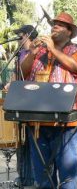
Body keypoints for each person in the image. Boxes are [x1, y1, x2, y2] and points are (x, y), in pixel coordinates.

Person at [21, 12, 77, 188]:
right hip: (39, 120)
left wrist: (53, 49)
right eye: (54, 24)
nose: (55, 26)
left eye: (60, 25)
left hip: (68, 122)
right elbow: (23, 72)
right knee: (42, 173)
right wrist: (31, 54)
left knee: (67, 174)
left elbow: (76, 67)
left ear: (69, 32)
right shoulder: (40, 51)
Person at [11, 25, 38, 186]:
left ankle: (34, 178)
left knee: (33, 142)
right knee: (21, 142)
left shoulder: (37, 53)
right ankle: (23, 176)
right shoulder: (19, 54)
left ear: (28, 36)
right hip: (20, 103)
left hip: (33, 103)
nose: (18, 39)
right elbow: (15, 75)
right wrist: (10, 84)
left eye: (20, 36)